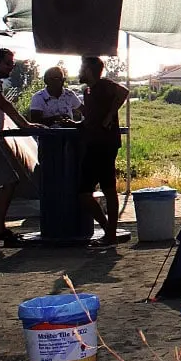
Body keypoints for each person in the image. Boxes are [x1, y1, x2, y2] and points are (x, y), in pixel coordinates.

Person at [77, 56, 128, 244]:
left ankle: (110, 233)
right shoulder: (87, 91)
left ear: (89, 70)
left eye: (82, 67)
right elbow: (91, 117)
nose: (80, 71)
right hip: (92, 143)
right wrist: (79, 124)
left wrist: (110, 116)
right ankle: (108, 229)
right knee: (83, 194)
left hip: (105, 144)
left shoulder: (104, 85)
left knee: (108, 188)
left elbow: (124, 92)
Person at [0, 48, 33, 245]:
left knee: (6, 182)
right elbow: (4, 104)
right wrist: (25, 124)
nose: (11, 67)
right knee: (10, 181)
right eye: (8, 63)